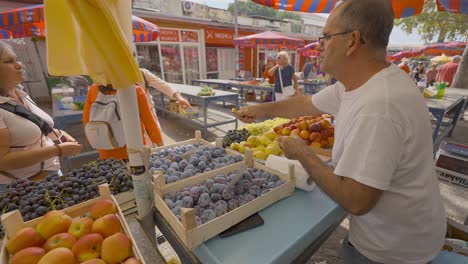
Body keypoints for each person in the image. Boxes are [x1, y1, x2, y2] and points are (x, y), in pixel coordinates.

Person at [234, 1, 446, 263]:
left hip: (392, 251)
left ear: (353, 41)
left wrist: (303, 153)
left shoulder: (378, 106)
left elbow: (356, 200)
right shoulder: (362, 83)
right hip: (404, 232)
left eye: (326, 36)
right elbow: (307, 103)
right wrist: (264, 109)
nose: (319, 44)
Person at [0, 41, 82, 186]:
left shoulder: (21, 93)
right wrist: (57, 150)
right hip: (21, 189)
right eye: (8, 61)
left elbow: (34, 127)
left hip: (52, 174)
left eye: (16, 59)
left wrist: (60, 134)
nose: (19, 65)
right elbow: (2, 161)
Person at [82, 83, 163, 160]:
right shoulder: (134, 90)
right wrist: (160, 145)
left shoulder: (94, 88)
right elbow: (149, 122)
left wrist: (93, 140)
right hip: (134, 151)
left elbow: (86, 119)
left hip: (106, 150)